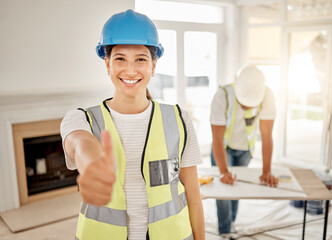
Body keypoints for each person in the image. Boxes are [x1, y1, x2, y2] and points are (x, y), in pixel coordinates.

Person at [60, 9, 204, 240]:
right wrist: (90, 162)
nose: (130, 70)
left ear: (153, 66)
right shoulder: (82, 118)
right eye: (120, 59)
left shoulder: (179, 119)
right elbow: (79, 142)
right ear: (107, 64)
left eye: (140, 59)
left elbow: (194, 197)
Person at [210, 65, 278, 237]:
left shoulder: (267, 95)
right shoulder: (223, 96)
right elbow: (217, 139)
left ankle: (232, 221)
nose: (247, 107)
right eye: (243, 103)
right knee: (224, 189)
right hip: (223, 147)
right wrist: (224, 171)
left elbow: (267, 135)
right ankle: (225, 230)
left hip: (245, 149)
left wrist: (267, 171)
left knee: (237, 187)